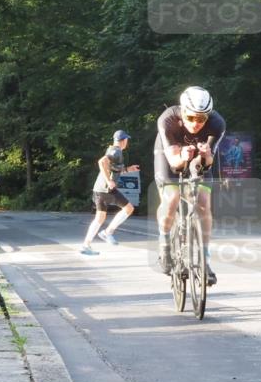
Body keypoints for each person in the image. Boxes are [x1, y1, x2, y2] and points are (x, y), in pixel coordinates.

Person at [155, 86, 226, 284]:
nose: (196, 123)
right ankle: (165, 243)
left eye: (201, 119)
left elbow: (208, 163)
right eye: (191, 117)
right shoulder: (167, 120)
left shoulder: (217, 123)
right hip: (170, 155)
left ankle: (205, 260)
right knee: (172, 198)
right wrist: (182, 156)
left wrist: (204, 155)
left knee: (203, 203)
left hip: (198, 155)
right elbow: (175, 164)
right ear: (182, 112)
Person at [80, 130, 139, 256]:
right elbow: (102, 162)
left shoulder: (113, 150)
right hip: (106, 189)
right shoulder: (116, 151)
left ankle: (86, 245)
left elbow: (115, 170)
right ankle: (107, 233)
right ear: (124, 141)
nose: (127, 143)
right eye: (127, 140)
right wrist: (109, 180)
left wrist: (128, 169)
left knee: (99, 218)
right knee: (129, 208)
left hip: (99, 189)